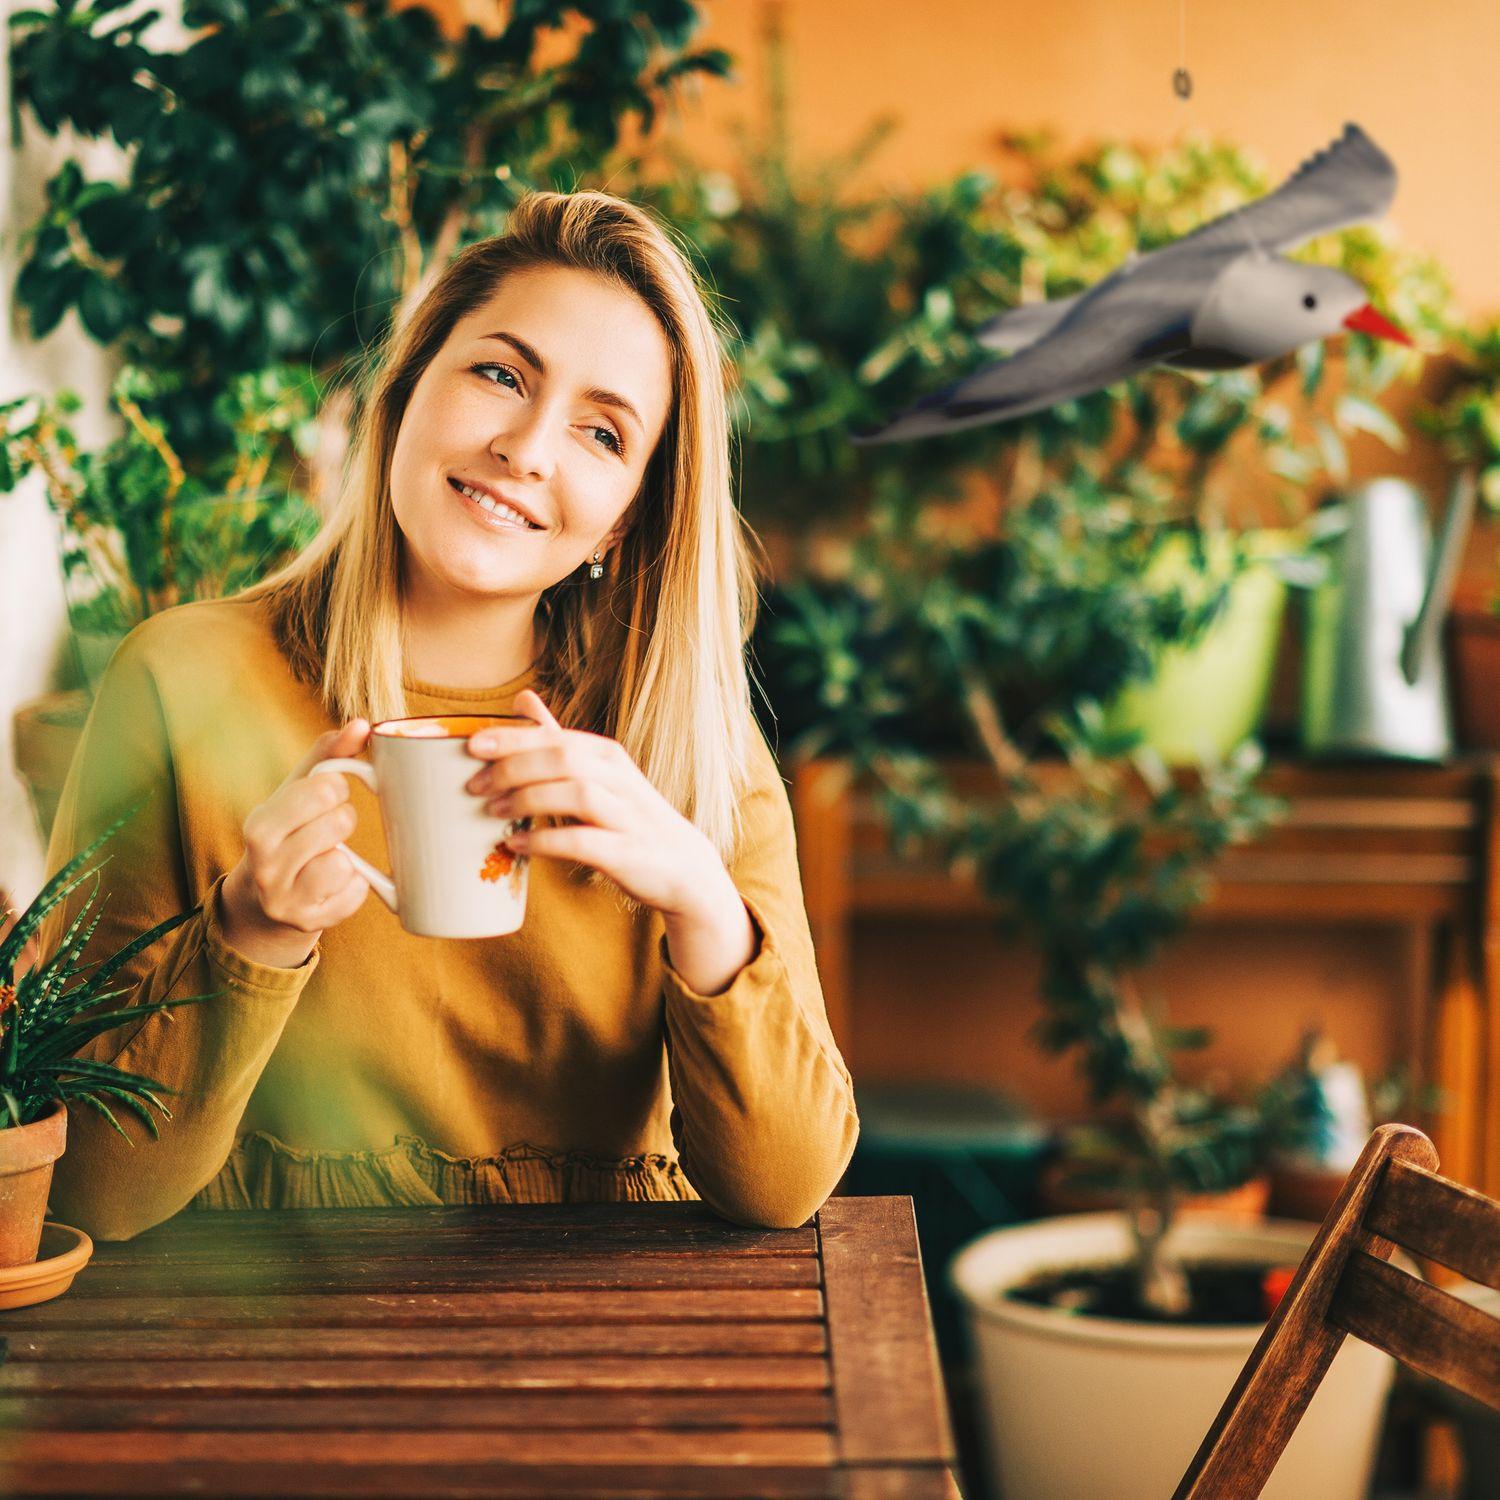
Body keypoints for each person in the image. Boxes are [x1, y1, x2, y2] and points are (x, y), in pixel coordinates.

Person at [41, 190, 858, 1239]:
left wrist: (701, 901)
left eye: (602, 432)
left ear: (632, 511)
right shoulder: (183, 682)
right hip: (260, 1341)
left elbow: (785, 1190)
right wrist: (251, 931)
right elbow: (92, 1197)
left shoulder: (687, 740)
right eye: (500, 374)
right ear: (406, 391)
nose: (526, 447)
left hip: (624, 1351)